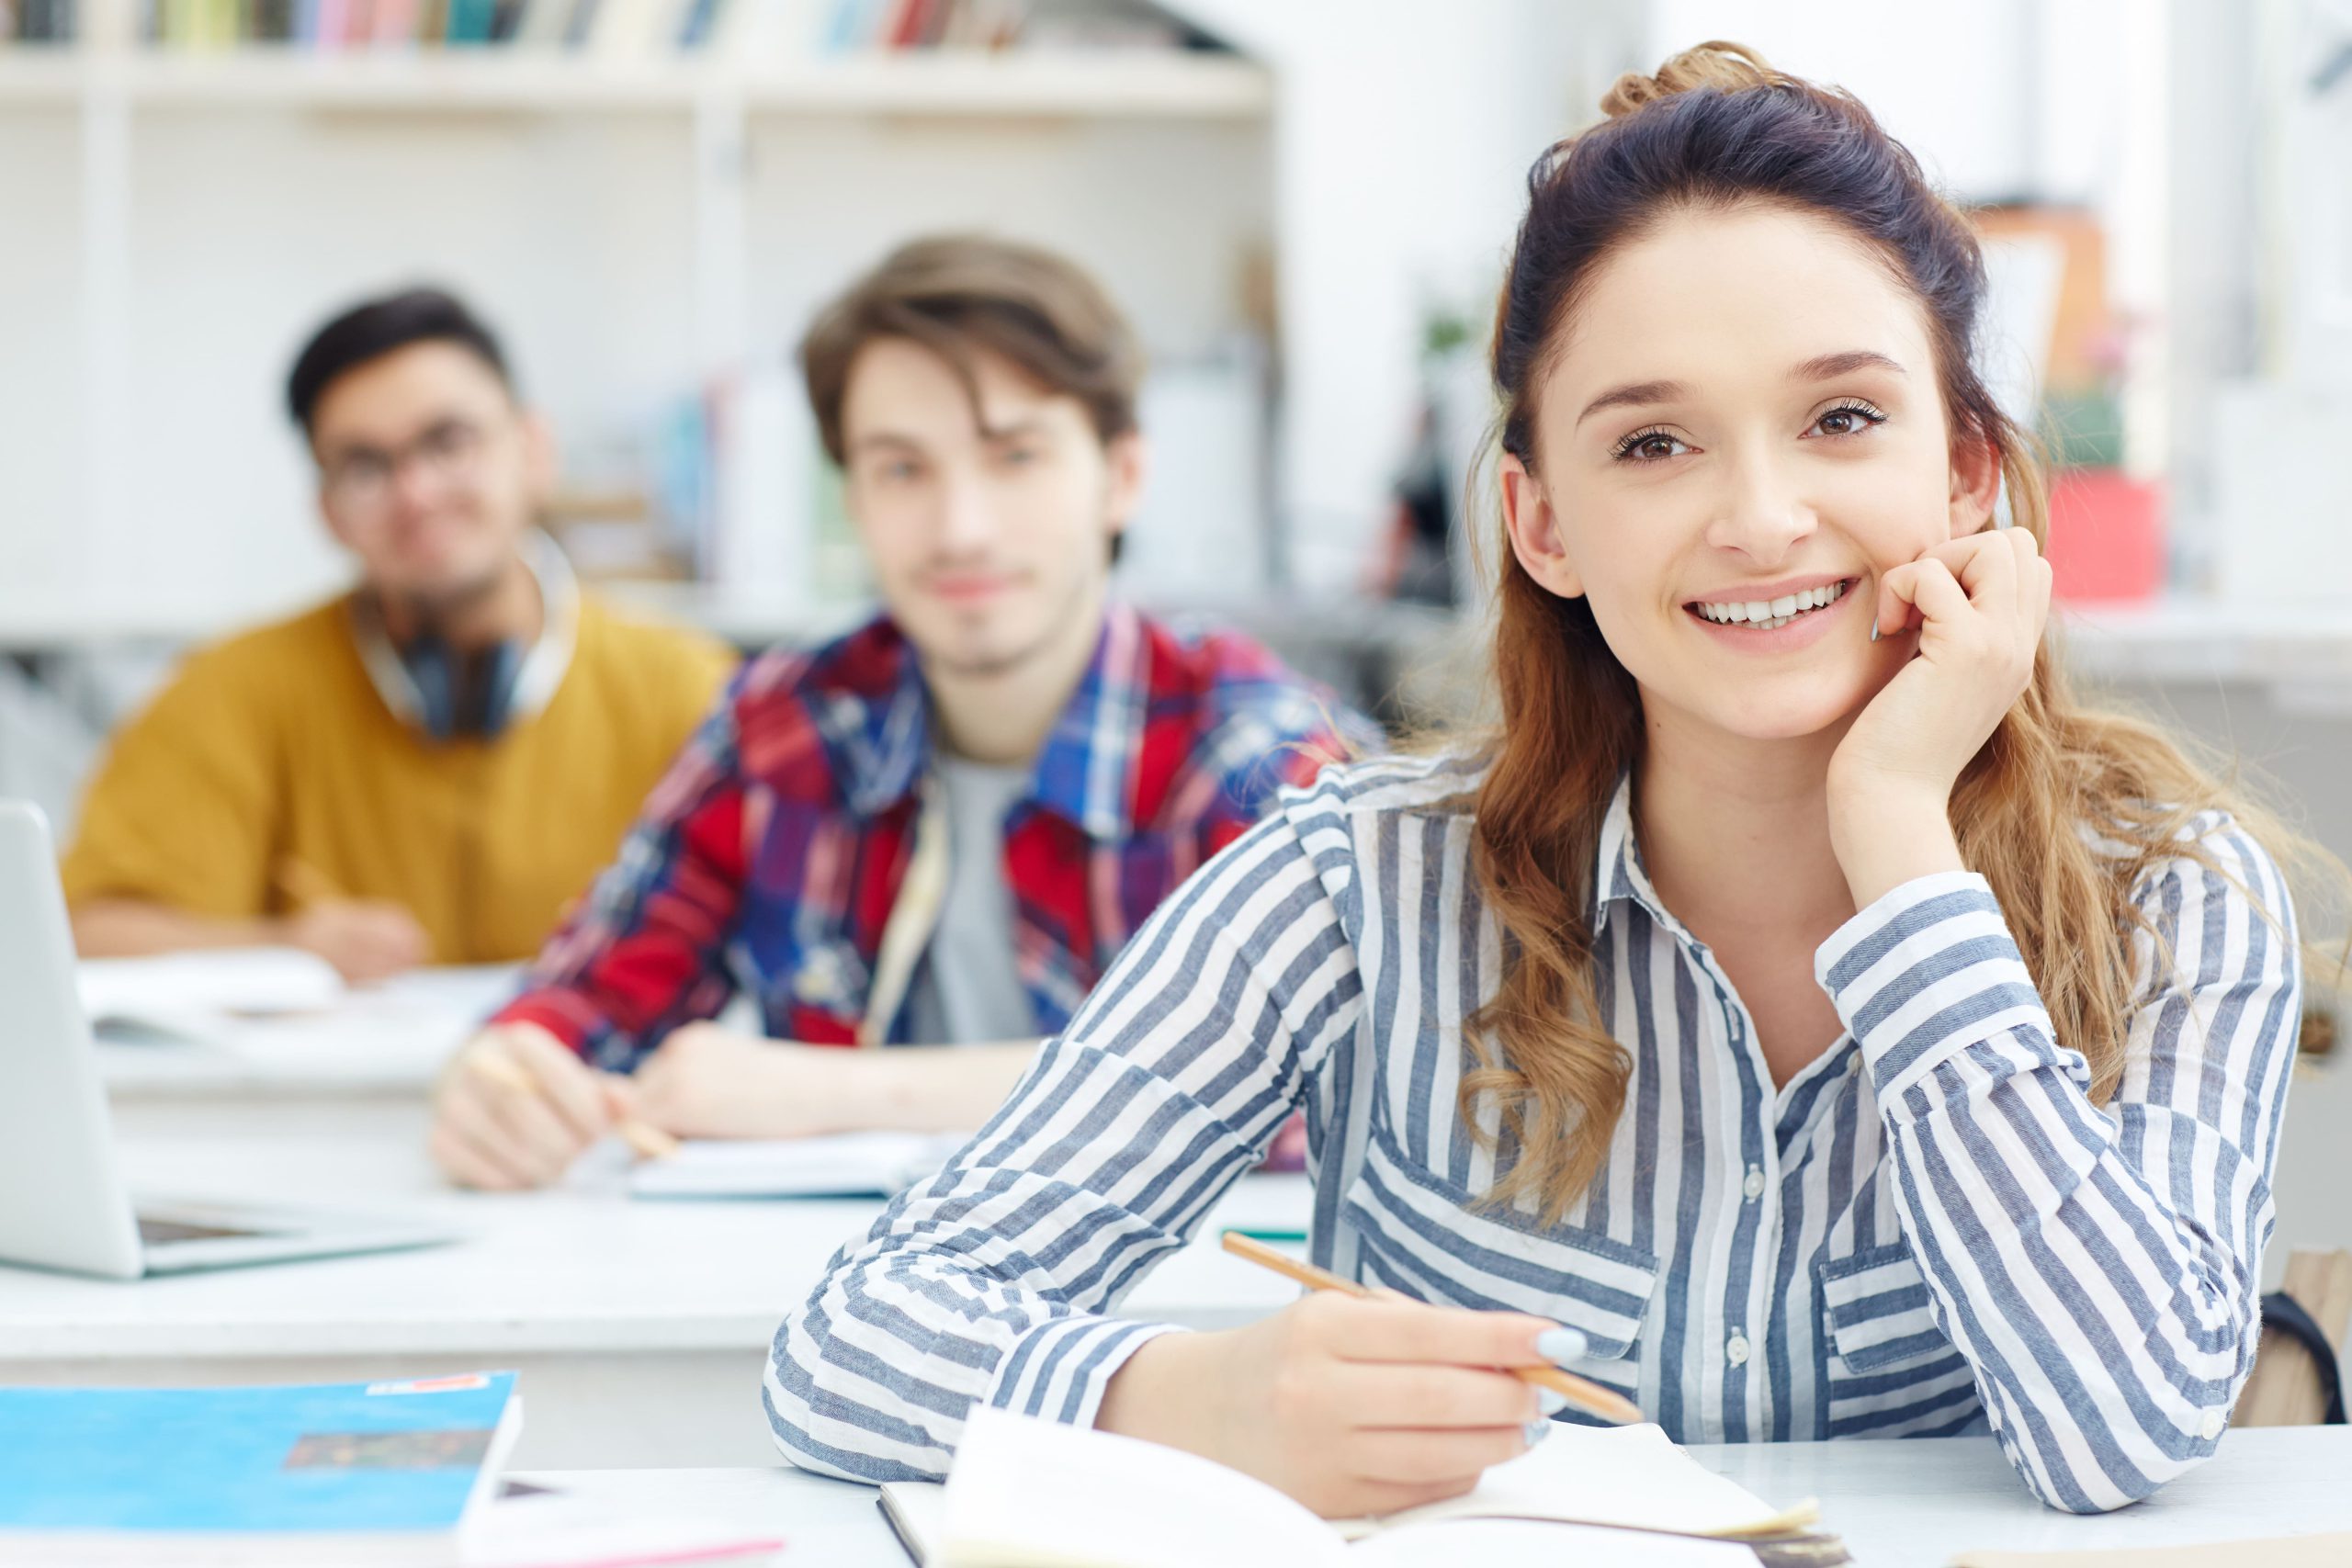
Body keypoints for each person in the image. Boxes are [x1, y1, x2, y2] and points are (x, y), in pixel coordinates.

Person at [761, 46, 2314, 1517]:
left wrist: (1901, 834)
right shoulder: (1358, 882)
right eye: (1653, 446)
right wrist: (1193, 1401)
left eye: (1842, 418)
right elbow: (853, 1341)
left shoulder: (2169, 896)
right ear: (1541, 521)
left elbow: (2126, 1427)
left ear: (1967, 471)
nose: (1763, 518)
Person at [427, 235, 1374, 1190]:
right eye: (901, 469)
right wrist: (503, 1081)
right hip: (847, 1310)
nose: (961, 527)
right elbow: (579, 1004)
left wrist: (837, 1092)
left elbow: (1343, 1096)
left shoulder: (1258, 752)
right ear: (853, 498)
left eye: (1014, 457)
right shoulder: (785, 725)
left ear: (1120, 477)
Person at [62, 288, 736, 981]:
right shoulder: (228, 691)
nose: (415, 493)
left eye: (448, 442)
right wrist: (283, 946)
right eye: (366, 466)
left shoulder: (691, 691)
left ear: (534, 450)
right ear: (327, 512)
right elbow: (83, 932)